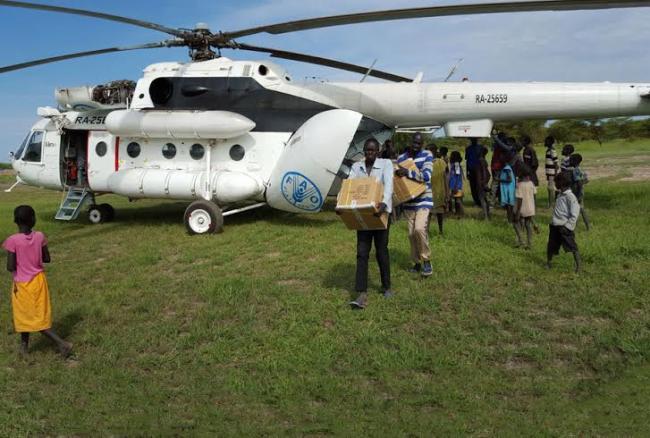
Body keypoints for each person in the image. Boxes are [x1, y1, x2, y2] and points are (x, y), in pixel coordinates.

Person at [2, 205, 72, 357]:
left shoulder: (12, 241)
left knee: (29, 317)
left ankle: (62, 344)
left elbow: (10, 266)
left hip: (22, 285)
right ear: (33, 219)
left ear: (15, 220)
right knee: (32, 315)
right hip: (39, 281)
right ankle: (24, 348)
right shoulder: (40, 236)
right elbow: (47, 258)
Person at [346, 139, 394, 309]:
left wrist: (384, 203)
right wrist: (341, 203)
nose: (369, 153)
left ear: (378, 151)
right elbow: (349, 186)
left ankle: (386, 286)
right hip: (364, 216)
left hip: (380, 213)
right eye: (367, 150)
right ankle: (361, 293)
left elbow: (389, 185)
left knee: (381, 251)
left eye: (373, 150)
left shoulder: (386, 164)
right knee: (362, 253)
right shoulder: (356, 167)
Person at [396, 133, 434, 277]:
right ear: (410, 142)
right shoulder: (401, 158)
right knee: (411, 235)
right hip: (409, 201)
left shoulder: (427, 155)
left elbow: (427, 176)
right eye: (414, 143)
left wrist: (408, 172)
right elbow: (398, 178)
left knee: (419, 229)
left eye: (419, 143)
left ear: (422, 144)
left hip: (424, 199)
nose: (416, 145)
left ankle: (426, 260)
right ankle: (417, 263)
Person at [547, 171, 582, 273]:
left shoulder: (570, 197)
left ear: (561, 183)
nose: (555, 184)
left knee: (572, 246)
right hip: (555, 226)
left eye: (556, 182)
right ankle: (548, 263)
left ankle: (578, 266)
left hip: (564, 227)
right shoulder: (560, 195)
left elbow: (575, 213)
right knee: (551, 246)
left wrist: (568, 226)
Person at [428, 144, 449, 235]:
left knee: (440, 213)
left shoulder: (441, 162)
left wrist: (447, 192)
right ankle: (426, 231)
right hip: (428, 192)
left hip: (440, 192)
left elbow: (445, 178)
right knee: (428, 213)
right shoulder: (426, 163)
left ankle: (441, 230)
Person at [514, 164, 536, 248]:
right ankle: (529, 243)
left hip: (522, 208)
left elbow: (519, 200)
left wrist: (517, 212)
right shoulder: (531, 183)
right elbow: (534, 196)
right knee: (528, 225)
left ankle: (521, 241)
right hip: (530, 208)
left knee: (516, 223)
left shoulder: (519, 185)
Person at [569, 153, 591, 230]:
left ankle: (578, 226)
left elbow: (579, 183)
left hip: (578, 192)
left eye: (571, 160)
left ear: (574, 162)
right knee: (580, 209)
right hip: (580, 191)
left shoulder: (575, 171)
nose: (569, 161)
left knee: (578, 210)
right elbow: (586, 180)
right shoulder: (579, 169)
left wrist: (578, 194)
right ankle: (587, 226)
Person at [465, 137, 484, 207]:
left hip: (479, 170)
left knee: (479, 186)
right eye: (472, 139)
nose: (473, 141)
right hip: (471, 169)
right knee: (473, 186)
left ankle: (481, 201)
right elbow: (467, 160)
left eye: (474, 139)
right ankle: (476, 201)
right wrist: (467, 171)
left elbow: (483, 157)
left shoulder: (481, 147)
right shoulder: (468, 149)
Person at [448, 150, 465, 218]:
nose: (450, 157)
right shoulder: (453, 165)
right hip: (453, 186)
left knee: (458, 200)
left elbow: (457, 176)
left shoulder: (456, 165)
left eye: (451, 156)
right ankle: (457, 213)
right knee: (456, 200)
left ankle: (461, 213)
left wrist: (455, 187)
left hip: (456, 186)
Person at [544, 136, 560, 207]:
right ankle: (553, 203)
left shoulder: (552, 151)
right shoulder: (549, 150)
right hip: (550, 173)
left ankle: (551, 204)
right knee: (551, 188)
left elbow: (556, 163)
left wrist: (556, 174)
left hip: (553, 173)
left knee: (551, 188)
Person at [476, 146, 491, 219]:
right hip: (482, 182)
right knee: (485, 199)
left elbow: (485, 172)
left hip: (481, 184)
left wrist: (483, 182)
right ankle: (487, 214)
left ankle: (486, 216)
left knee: (482, 200)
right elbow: (488, 174)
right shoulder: (483, 160)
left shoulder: (481, 161)